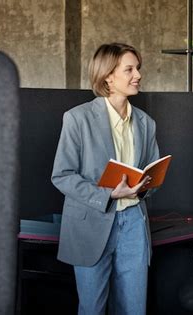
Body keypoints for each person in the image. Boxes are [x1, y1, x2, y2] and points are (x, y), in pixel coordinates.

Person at [51, 43, 159, 315]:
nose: (138, 75)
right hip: (92, 222)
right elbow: (61, 175)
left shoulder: (146, 123)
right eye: (129, 69)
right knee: (92, 309)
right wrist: (108, 194)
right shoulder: (77, 118)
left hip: (134, 222)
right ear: (108, 76)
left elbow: (152, 175)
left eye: (138, 68)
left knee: (134, 309)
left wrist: (145, 186)